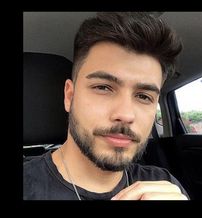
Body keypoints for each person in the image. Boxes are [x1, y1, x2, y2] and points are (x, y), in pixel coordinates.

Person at [24, 12, 189, 200]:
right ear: (69, 96)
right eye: (103, 87)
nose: (126, 114)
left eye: (143, 96)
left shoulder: (165, 186)